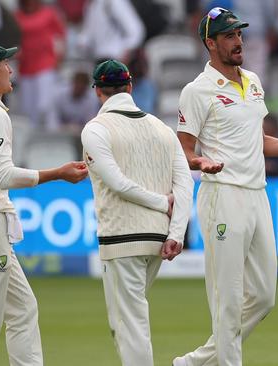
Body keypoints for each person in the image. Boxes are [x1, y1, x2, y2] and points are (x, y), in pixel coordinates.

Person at [173, 7, 278, 366]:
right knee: (227, 300)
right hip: (223, 195)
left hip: (257, 195)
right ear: (210, 43)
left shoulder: (253, 81)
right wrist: (202, 162)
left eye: (239, 34)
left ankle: (195, 362)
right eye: (229, 36)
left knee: (263, 297)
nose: (238, 41)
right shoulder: (197, 91)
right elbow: (183, 151)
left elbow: (259, 141)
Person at [0, 42, 88, 366]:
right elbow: (3, 175)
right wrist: (58, 173)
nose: (11, 69)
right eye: (5, 63)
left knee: (23, 309)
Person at [81, 59, 193, 366]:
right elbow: (185, 185)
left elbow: (116, 182)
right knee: (126, 321)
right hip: (156, 239)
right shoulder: (162, 128)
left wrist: (160, 203)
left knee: (130, 324)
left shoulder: (96, 129)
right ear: (130, 86)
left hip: (122, 237)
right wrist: (176, 234)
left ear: (97, 92)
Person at [15, 0, 65, 130]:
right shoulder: (16, 16)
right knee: (28, 109)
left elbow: (60, 35)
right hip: (25, 67)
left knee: (45, 105)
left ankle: (53, 133)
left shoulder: (49, 13)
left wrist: (59, 57)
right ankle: (32, 142)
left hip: (45, 64)